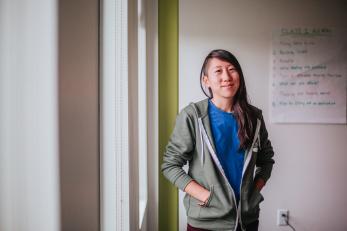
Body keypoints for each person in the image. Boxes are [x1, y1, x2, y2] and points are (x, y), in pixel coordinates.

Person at [161, 49, 275, 231]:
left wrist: (253, 192)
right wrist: (207, 196)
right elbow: (170, 165)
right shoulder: (193, 116)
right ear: (206, 81)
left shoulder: (255, 118)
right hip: (205, 223)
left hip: (247, 222)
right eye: (218, 71)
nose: (227, 76)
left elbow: (266, 160)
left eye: (232, 69)